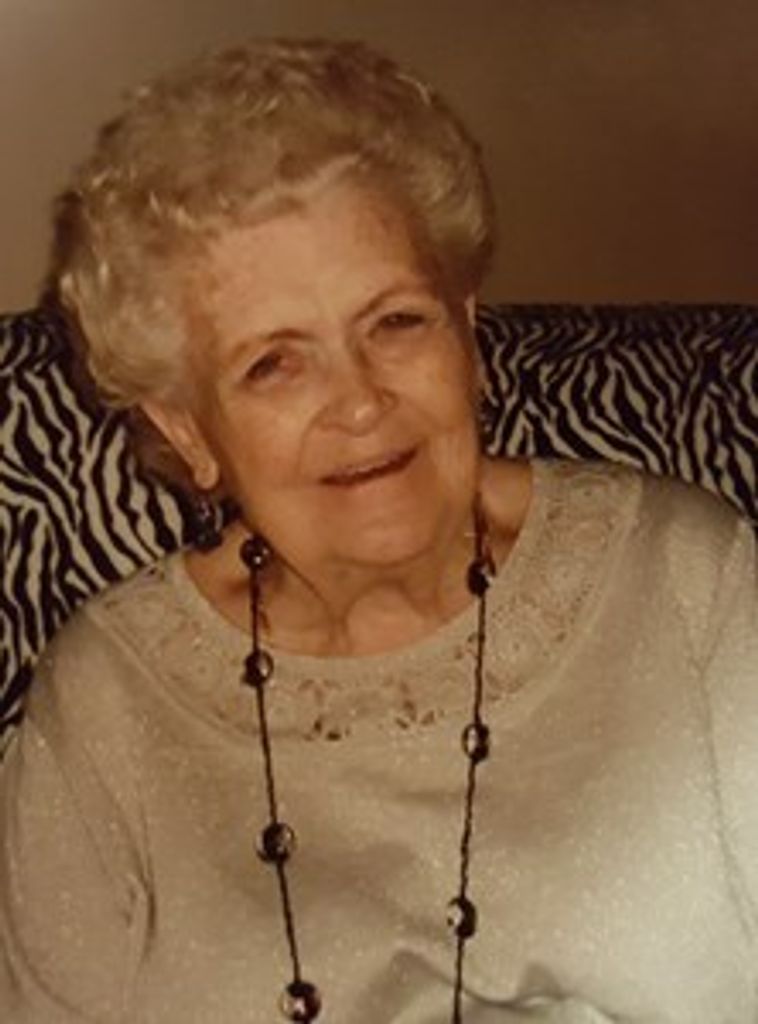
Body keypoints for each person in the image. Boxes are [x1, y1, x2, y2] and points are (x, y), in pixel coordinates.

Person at [1, 38, 756, 1024]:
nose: (359, 401)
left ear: (467, 334)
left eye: (396, 322)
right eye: (274, 363)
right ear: (188, 431)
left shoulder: (689, 580)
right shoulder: (112, 700)